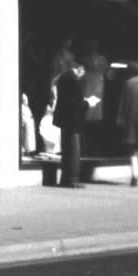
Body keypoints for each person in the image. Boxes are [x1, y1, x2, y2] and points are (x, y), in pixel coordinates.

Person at [50, 46, 89, 189]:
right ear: (79, 68)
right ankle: (72, 179)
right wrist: (87, 103)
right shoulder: (73, 79)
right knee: (74, 149)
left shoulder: (63, 78)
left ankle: (65, 179)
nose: (83, 75)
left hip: (64, 119)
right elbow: (77, 102)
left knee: (67, 149)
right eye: (83, 72)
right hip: (72, 120)